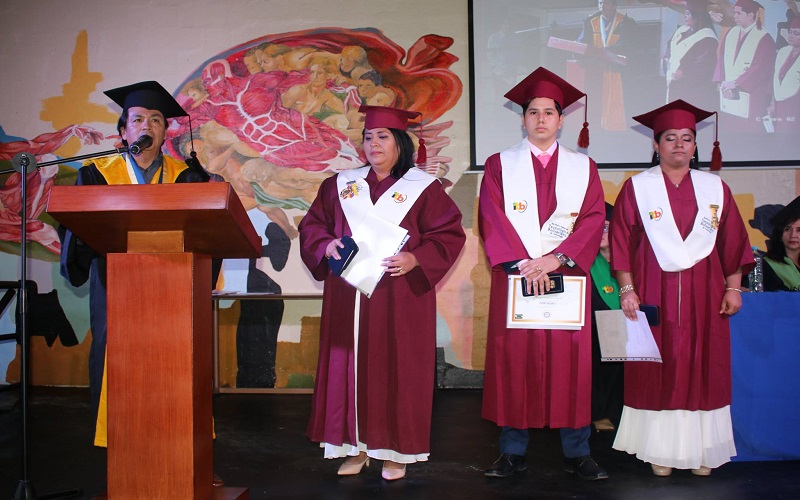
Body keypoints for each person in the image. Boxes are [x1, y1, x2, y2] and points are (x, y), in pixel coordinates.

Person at [57, 80, 224, 486]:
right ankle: (124, 454)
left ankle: (187, 454)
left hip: (174, 286)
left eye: (155, 120)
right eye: (137, 120)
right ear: (123, 131)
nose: (146, 126)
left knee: (179, 365)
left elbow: (208, 233)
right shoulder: (95, 174)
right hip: (115, 285)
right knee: (116, 366)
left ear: (166, 133)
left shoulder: (189, 177)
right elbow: (77, 233)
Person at [298, 105, 465, 481]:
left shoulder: (423, 188)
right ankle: (354, 447)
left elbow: (448, 234)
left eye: (383, 136)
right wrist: (325, 245)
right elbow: (313, 226)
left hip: (399, 294)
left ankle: (395, 452)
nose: (373, 143)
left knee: (398, 369)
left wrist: (416, 258)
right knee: (349, 367)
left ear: (401, 142)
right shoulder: (340, 185)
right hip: (348, 295)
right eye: (368, 137)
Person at [610, 99, 755, 477]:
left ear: (695, 145)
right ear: (656, 144)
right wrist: (627, 290)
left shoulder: (714, 189)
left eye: (687, 138)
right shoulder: (637, 188)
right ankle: (660, 450)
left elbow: (732, 243)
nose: (679, 144)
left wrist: (734, 288)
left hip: (705, 295)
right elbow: (622, 243)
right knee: (659, 367)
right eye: (670, 138)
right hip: (652, 291)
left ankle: (704, 449)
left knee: (704, 366)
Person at [478, 67, 607, 481]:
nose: (540, 119)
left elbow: (593, 218)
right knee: (515, 360)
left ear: (561, 120)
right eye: (533, 112)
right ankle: (512, 451)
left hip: (566, 275)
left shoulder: (583, 167)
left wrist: (558, 259)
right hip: (517, 276)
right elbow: (492, 218)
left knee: (571, 362)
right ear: (523, 119)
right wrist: (524, 264)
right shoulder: (500, 165)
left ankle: (577, 451)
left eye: (549, 112)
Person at [714, 0, 777, 132]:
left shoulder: (764, 38)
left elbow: (760, 68)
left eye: (739, 13)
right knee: (729, 127)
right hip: (728, 91)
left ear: (750, 15)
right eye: (734, 13)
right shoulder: (731, 33)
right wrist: (723, 83)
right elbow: (722, 60)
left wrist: (735, 83)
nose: (735, 16)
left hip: (751, 93)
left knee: (747, 130)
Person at [589, 202, 624, 432]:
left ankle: (620, 412)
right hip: (596, 328)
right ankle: (598, 413)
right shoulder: (587, 263)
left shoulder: (631, 257)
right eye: (596, 227)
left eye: (606, 227)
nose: (600, 232)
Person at [577, 0, 636, 131]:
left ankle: (617, 130)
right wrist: (578, 48)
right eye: (600, 3)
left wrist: (608, 50)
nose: (603, 6)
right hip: (596, 69)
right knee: (595, 101)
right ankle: (596, 129)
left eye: (606, 3)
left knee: (618, 101)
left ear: (614, 5)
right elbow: (582, 42)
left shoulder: (626, 22)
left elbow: (629, 44)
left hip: (617, 70)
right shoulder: (590, 21)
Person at [663, 0, 719, 107]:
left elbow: (704, 65)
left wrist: (683, 72)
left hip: (693, 87)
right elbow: (669, 47)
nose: (685, 16)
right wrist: (666, 61)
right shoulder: (682, 30)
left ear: (697, 16)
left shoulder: (707, 38)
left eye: (688, 14)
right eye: (685, 13)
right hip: (674, 81)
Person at [770, 13, 800, 132]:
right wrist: (772, 102)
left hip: (795, 104)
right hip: (780, 103)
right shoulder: (783, 52)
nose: (791, 36)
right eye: (790, 32)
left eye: (796, 33)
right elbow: (775, 79)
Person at [762, 196, 800, 291]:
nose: (793, 235)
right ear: (780, 234)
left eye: (799, 230)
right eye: (787, 229)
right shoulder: (767, 265)